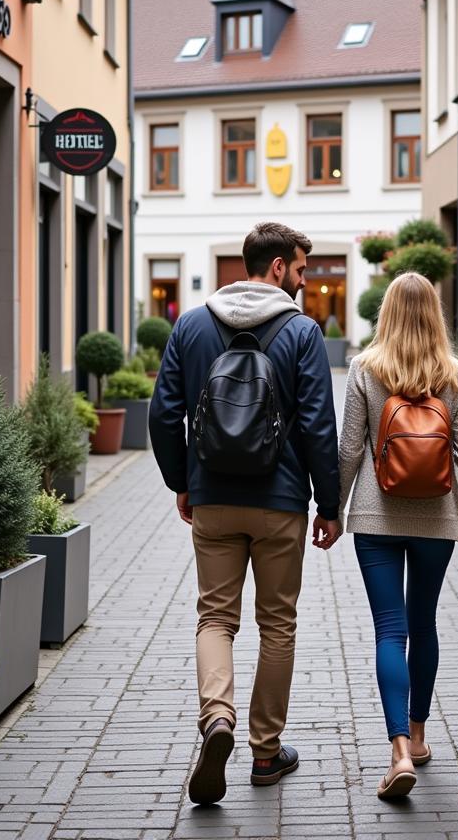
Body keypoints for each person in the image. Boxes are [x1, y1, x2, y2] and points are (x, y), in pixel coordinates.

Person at [149, 222, 342, 806]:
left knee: (215, 618)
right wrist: (329, 505)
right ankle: (265, 752)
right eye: (303, 271)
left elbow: (163, 413)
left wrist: (182, 482)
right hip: (280, 502)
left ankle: (217, 718)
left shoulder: (190, 323)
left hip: (212, 497)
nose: (306, 283)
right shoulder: (303, 332)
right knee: (277, 625)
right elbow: (316, 424)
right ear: (278, 267)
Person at [338, 272, 458, 800]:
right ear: (435, 316)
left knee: (388, 630)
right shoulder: (453, 373)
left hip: (376, 519)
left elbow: (349, 451)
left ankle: (397, 750)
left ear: (387, 314)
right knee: (424, 624)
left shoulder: (363, 369)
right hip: (436, 519)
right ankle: (420, 736)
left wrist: (330, 513)